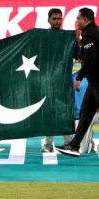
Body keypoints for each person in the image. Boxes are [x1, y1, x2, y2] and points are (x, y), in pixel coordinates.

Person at [55, 8, 99, 157]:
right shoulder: (91, 33)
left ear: (86, 19)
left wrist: (79, 77)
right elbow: (85, 55)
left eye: (78, 18)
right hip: (94, 82)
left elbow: (91, 58)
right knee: (85, 113)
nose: (76, 20)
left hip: (97, 81)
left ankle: (74, 145)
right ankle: (74, 146)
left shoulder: (90, 33)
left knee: (86, 114)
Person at [41, 8, 73, 152]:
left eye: (59, 18)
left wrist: (77, 40)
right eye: (54, 18)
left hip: (63, 80)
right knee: (49, 111)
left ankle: (68, 142)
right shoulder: (43, 36)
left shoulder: (67, 37)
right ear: (49, 20)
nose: (57, 21)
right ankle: (48, 144)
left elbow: (77, 54)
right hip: (47, 80)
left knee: (64, 111)